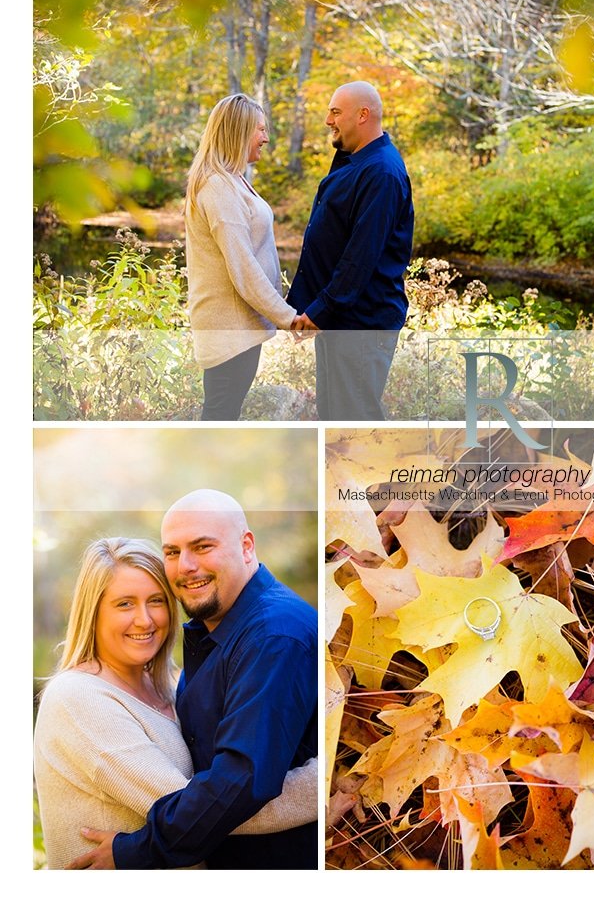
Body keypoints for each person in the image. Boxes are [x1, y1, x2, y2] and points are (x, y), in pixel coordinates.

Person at [66, 490, 319, 869]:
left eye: (202, 547)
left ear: (246, 546)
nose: (185, 566)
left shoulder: (272, 636)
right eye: (172, 552)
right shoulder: (210, 635)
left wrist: (135, 851)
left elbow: (241, 781)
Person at [287, 80, 414, 421]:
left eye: (335, 112)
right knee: (334, 419)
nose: (328, 120)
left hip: (362, 324)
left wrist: (319, 310)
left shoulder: (382, 172)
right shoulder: (354, 161)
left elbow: (361, 255)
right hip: (340, 319)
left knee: (356, 424)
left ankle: (382, 475)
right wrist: (311, 307)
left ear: (362, 115)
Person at [185, 94, 304, 420]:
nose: (266, 138)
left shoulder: (231, 181)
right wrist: (287, 316)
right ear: (238, 131)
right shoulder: (218, 187)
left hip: (238, 328)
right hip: (228, 330)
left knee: (224, 415)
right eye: (260, 130)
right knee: (220, 418)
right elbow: (243, 267)